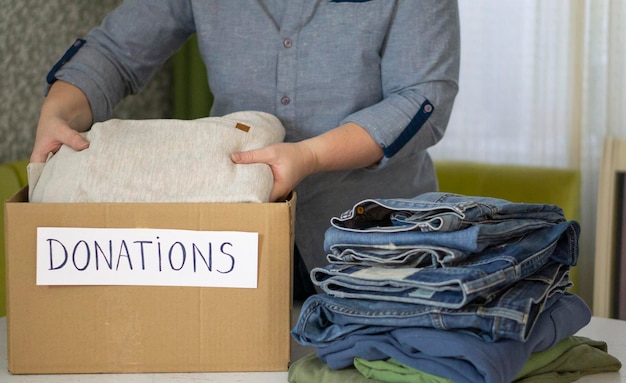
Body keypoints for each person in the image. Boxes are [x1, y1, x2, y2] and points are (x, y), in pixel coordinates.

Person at [31, 0, 460, 300]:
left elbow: (423, 97)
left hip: (377, 240)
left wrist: (310, 156)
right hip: (235, 236)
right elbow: (114, 53)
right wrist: (58, 112)